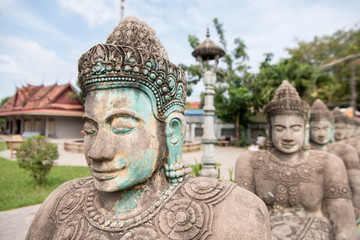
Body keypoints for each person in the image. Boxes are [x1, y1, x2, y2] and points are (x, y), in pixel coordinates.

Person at [26, 16, 271, 240]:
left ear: (172, 131)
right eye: (91, 129)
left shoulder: (231, 212)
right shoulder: (60, 203)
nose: (97, 152)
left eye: (121, 126)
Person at [235, 80, 357, 239]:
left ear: (305, 128)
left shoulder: (329, 163)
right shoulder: (250, 162)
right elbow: (242, 218)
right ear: (269, 129)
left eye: (295, 128)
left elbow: (344, 224)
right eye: (280, 128)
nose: (287, 137)